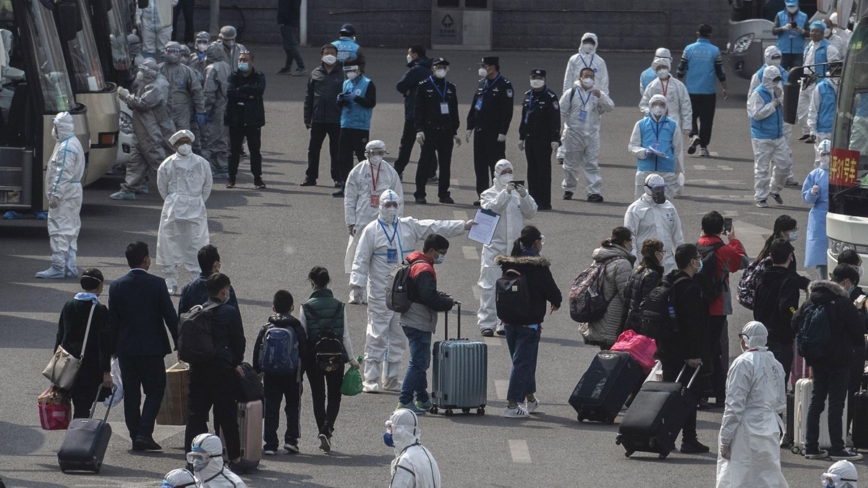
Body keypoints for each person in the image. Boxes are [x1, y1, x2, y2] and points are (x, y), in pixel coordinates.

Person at [350, 189, 474, 392]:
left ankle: (390, 378)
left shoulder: (408, 225)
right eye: (387, 205)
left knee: (398, 336)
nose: (391, 209)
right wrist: (357, 285)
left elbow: (434, 226)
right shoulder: (371, 230)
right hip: (381, 291)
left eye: (394, 205)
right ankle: (370, 378)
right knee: (377, 333)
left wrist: (463, 226)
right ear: (379, 206)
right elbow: (361, 259)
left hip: (404, 292)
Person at [108, 241, 179, 451]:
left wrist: (111, 349)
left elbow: (114, 321)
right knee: (156, 390)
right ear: (146, 259)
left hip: (126, 349)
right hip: (152, 347)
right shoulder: (157, 284)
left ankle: (135, 434)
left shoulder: (117, 285)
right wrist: (180, 343)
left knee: (132, 393)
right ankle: (144, 432)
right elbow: (169, 316)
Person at [184, 273, 255, 472]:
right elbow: (239, 342)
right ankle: (234, 458)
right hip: (222, 372)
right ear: (224, 291)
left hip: (198, 370)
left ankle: (192, 458)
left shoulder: (196, 311)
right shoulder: (230, 313)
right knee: (226, 415)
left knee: (196, 415)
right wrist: (235, 362)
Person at [796, 264, 864, 461]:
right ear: (845, 282)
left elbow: (795, 322)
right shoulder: (843, 303)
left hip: (816, 359)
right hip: (839, 361)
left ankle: (811, 446)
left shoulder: (812, 300)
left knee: (816, 402)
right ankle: (837, 448)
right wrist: (858, 311)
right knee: (836, 404)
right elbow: (859, 333)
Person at [496, 225, 562, 417]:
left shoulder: (508, 263)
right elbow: (552, 290)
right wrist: (556, 302)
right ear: (535, 242)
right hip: (529, 322)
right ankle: (511, 404)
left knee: (525, 362)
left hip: (508, 321)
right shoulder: (537, 266)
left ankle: (530, 399)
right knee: (523, 363)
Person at [715, 321, 787, 488]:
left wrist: (725, 439)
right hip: (770, 426)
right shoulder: (775, 364)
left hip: (745, 428)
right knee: (767, 475)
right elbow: (780, 403)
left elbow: (734, 406)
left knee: (739, 476)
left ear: (745, 340)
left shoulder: (743, 363)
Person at [656, 243, 711, 453]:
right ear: (692, 261)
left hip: (667, 348)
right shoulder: (690, 288)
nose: (700, 261)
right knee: (688, 397)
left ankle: (662, 433)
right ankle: (688, 439)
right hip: (685, 354)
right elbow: (694, 325)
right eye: (698, 257)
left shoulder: (669, 281)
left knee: (670, 395)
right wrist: (694, 355)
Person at [300, 266, 359, 453]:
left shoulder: (306, 307)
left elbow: (303, 336)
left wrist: (300, 363)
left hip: (314, 360)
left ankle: (321, 431)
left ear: (312, 283)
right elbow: (345, 336)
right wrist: (351, 360)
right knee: (334, 395)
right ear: (328, 282)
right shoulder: (340, 306)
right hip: (336, 358)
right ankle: (328, 429)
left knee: (318, 396)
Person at [477, 160, 537, 336]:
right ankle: (486, 323)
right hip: (494, 248)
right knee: (489, 286)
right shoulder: (488, 194)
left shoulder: (518, 194)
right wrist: (505, 193)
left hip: (515, 250)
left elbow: (531, 212)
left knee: (512, 287)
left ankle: (504, 321)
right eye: (504, 172)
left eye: (510, 171)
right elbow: (491, 210)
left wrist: (525, 195)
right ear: (496, 174)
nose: (508, 175)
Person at [397, 234, 455, 415]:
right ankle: (405, 401)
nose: (442, 256)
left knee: (422, 361)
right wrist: (448, 303)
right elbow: (428, 297)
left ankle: (421, 398)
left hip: (410, 318)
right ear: (431, 251)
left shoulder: (414, 262)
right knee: (418, 363)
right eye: (441, 253)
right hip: (418, 320)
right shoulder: (423, 269)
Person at [697, 211, 749, 407]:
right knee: (714, 350)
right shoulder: (724, 250)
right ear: (721, 229)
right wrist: (733, 240)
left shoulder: (696, 246)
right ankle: (718, 394)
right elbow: (743, 262)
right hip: (718, 305)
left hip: (698, 305)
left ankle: (705, 391)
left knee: (704, 347)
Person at [344, 139, 403, 299]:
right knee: (359, 252)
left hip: (383, 217)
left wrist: (397, 221)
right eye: (374, 152)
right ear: (367, 154)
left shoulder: (390, 172)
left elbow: (399, 198)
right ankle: (356, 291)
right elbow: (349, 197)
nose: (377, 156)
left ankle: (381, 290)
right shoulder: (357, 171)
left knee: (382, 252)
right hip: (362, 215)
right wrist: (350, 221)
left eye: (380, 153)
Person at [155, 130, 212, 295]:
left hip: (195, 206)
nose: (185, 146)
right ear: (175, 146)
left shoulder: (202, 163)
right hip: (173, 208)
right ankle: (171, 280)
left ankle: (196, 279)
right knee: (169, 243)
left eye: (187, 142)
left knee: (196, 243)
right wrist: (173, 200)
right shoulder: (167, 164)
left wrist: (197, 201)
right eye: (181, 143)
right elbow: (162, 187)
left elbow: (207, 186)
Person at [111, 58, 175, 200]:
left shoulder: (157, 86)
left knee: (157, 160)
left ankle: (175, 189)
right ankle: (130, 188)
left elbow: (142, 104)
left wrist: (125, 95)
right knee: (136, 160)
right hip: (142, 127)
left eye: (142, 71)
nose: (139, 73)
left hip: (149, 129)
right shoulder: (151, 82)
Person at [252, 290, 307, 455]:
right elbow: (304, 351)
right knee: (293, 407)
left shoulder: (267, 327)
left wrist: (257, 371)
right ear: (292, 307)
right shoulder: (296, 327)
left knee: (271, 407)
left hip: (271, 374)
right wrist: (302, 371)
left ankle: (270, 443)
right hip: (292, 374)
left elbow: (258, 350)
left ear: (273, 308)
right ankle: (291, 440)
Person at [53, 269, 113, 418]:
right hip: (89, 367)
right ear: (99, 286)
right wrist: (106, 371)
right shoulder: (99, 310)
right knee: (83, 409)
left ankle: (74, 436)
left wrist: (56, 369)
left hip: (67, 364)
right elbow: (104, 343)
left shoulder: (68, 305)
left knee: (73, 404)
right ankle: (78, 438)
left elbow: (60, 336)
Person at [36, 112, 85, 279]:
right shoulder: (73, 143)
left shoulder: (66, 148)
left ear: (59, 127)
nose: (53, 130)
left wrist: (55, 195)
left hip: (65, 194)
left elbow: (63, 173)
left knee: (58, 228)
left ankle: (58, 266)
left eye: (55, 126)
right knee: (70, 229)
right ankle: (69, 265)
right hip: (73, 192)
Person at [748, 46, 799, 189]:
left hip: (781, 118)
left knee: (785, 152)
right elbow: (752, 101)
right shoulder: (759, 76)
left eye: (778, 57)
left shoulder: (784, 73)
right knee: (763, 163)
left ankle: (785, 176)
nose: (777, 60)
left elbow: (790, 95)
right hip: (764, 124)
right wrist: (753, 118)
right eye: (773, 57)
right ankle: (762, 194)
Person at [640, 56, 692, 196]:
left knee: (676, 155)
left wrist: (687, 124)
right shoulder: (652, 86)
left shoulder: (678, 86)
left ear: (669, 68)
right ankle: (657, 184)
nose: (661, 70)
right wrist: (650, 112)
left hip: (674, 122)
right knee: (658, 153)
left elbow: (686, 105)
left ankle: (676, 186)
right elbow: (643, 104)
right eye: (658, 68)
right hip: (656, 124)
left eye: (664, 67)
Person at [753, 238, 802, 389]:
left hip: (762, 337)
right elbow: (788, 308)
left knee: (763, 386)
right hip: (781, 339)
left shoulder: (762, 277)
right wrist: (797, 315)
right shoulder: (789, 280)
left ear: (771, 257)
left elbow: (756, 306)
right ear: (790, 256)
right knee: (778, 387)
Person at [560, 67, 614, 202]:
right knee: (571, 165)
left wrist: (601, 96)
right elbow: (561, 112)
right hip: (574, 134)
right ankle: (569, 188)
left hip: (592, 135)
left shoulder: (597, 94)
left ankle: (593, 192)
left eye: (591, 76)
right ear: (580, 78)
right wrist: (556, 132)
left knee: (592, 164)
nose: (588, 79)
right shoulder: (571, 93)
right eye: (586, 76)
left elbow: (610, 107)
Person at [466, 56, 514, 204]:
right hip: (480, 132)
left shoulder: (504, 85)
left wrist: (503, 131)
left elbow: (507, 111)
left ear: (492, 67)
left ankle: (500, 196)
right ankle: (482, 196)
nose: (481, 68)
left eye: (484, 65)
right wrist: (470, 126)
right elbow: (475, 106)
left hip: (495, 134)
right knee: (480, 166)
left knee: (496, 166)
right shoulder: (482, 84)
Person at [413, 57, 461, 205]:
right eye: (438, 67)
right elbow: (418, 110)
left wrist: (454, 131)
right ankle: (420, 193)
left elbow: (454, 111)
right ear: (432, 68)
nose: (441, 70)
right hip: (429, 130)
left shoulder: (450, 87)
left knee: (445, 164)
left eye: (444, 67)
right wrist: (419, 130)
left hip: (446, 130)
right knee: (425, 162)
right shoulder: (423, 86)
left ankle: (444, 194)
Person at [677, 24, 728, 158]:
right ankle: (704, 147)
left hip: (691, 90)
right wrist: (725, 87)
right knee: (707, 120)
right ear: (710, 35)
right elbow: (720, 71)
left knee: (689, 116)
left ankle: (693, 134)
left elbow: (680, 69)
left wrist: (680, 80)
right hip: (708, 91)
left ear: (697, 33)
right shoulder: (715, 51)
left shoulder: (688, 49)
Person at [582, 227, 636, 350]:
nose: (631, 244)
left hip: (598, 315)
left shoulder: (599, 258)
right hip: (612, 319)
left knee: (605, 355)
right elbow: (626, 294)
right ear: (624, 243)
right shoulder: (623, 263)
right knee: (612, 359)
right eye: (630, 241)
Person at [624, 174, 685, 274]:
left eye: (662, 188)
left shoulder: (669, 207)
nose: (660, 192)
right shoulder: (635, 209)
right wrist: (636, 264)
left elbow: (677, 235)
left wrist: (683, 259)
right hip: (645, 264)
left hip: (667, 263)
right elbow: (630, 239)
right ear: (647, 188)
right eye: (657, 189)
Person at [749, 65, 791, 208]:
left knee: (785, 164)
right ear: (767, 79)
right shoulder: (758, 94)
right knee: (762, 168)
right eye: (775, 79)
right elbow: (756, 114)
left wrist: (782, 97)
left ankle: (775, 189)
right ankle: (761, 197)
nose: (777, 82)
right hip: (762, 136)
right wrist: (773, 105)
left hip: (778, 135)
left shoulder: (777, 91)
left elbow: (787, 108)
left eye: (778, 79)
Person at [518, 69, 560, 210]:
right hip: (530, 138)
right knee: (532, 170)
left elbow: (555, 119)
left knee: (543, 170)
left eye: (539, 78)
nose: (537, 80)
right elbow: (524, 118)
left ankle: (544, 201)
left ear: (544, 79)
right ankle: (533, 199)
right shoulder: (528, 96)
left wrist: (555, 138)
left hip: (544, 139)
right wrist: (521, 136)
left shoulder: (550, 97)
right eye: (534, 77)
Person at [302, 44, 344, 187]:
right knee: (313, 149)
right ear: (321, 56)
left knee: (336, 150)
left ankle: (338, 178)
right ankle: (311, 177)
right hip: (319, 118)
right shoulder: (315, 73)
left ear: (336, 55)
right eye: (327, 53)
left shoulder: (342, 73)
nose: (329, 55)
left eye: (332, 53)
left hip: (336, 118)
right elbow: (309, 96)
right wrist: (307, 117)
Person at [333, 59, 376, 198]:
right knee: (343, 158)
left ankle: (367, 188)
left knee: (362, 158)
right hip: (346, 124)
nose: (350, 73)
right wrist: (340, 100)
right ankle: (346, 186)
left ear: (358, 70)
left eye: (352, 70)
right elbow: (342, 104)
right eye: (347, 71)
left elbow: (371, 102)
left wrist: (356, 98)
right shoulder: (346, 83)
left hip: (360, 126)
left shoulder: (368, 83)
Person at [629, 94, 683, 199]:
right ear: (650, 106)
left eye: (661, 104)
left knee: (666, 203)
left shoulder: (673, 125)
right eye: (655, 104)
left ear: (666, 107)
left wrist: (676, 171)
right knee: (641, 201)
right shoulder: (641, 124)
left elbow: (677, 150)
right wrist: (644, 152)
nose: (658, 107)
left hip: (666, 170)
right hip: (645, 169)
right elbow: (632, 146)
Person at [838, 249, 868, 439]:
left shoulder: (828, 292)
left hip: (831, 350)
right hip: (855, 352)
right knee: (851, 391)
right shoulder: (862, 298)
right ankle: (845, 430)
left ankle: (831, 430)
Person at [226, 50, 266, 189]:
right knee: (234, 151)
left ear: (252, 62)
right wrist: (248, 95)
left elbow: (259, 90)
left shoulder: (259, 76)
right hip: (235, 118)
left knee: (254, 150)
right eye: (240, 60)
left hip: (253, 119)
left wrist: (241, 89)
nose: (242, 62)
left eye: (245, 60)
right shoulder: (233, 76)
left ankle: (257, 179)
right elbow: (230, 92)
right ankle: (231, 178)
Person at [394, 44, 433, 180]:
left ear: (415, 55)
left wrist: (407, 90)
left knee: (406, 144)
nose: (408, 56)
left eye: (409, 53)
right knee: (428, 143)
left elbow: (400, 85)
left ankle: (398, 170)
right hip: (429, 113)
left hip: (413, 113)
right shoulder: (432, 68)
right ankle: (431, 172)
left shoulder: (416, 70)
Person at [797, 22, 839, 142]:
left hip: (817, 83)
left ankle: (813, 133)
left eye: (816, 31)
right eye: (811, 31)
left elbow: (835, 68)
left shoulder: (829, 48)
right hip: (805, 82)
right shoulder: (809, 46)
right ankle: (806, 132)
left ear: (822, 33)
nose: (813, 33)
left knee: (813, 109)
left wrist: (826, 80)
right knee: (801, 110)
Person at [385, 409, 441, 488]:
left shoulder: (405, 461)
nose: (389, 432)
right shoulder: (426, 453)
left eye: (391, 428)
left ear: (399, 430)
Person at [620, 239, 665, 333]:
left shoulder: (636, 270)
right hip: (640, 324)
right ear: (656, 253)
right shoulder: (653, 275)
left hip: (630, 319)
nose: (663, 255)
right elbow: (647, 303)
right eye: (662, 252)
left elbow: (626, 295)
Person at [178, 244, 238, 315]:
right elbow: (235, 316)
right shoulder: (226, 288)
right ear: (215, 264)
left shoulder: (188, 288)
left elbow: (181, 316)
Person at [200, 43, 231, 179]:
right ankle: (223, 165)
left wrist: (204, 110)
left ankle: (215, 167)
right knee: (224, 136)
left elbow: (209, 92)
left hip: (217, 107)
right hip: (227, 105)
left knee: (211, 137)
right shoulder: (226, 65)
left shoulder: (212, 68)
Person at [160, 42, 206, 132]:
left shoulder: (187, 71)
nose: (172, 54)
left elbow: (197, 91)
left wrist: (200, 110)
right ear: (165, 53)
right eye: (170, 51)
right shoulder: (158, 70)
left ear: (180, 54)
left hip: (182, 111)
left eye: (176, 52)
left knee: (183, 137)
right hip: (163, 109)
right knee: (165, 136)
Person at [802, 139, 831, 280]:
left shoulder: (840, 173)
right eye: (823, 153)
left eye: (829, 154)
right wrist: (812, 193)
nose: (826, 157)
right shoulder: (814, 175)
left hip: (835, 213)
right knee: (820, 254)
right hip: (818, 217)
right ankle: (822, 281)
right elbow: (806, 198)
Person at [562, 32, 610, 98]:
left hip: (594, 95)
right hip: (577, 95)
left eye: (591, 43)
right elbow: (568, 79)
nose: (588, 45)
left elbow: (604, 81)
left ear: (595, 44)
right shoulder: (574, 59)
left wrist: (604, 97)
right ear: (582, 43)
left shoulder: (600, 61)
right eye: (586, 42)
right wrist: (566, 96)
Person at [809, 72, 838, 167]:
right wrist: (812, 130)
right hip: (823, 131)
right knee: (821, 160)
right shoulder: (820, 87)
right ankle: (818, 180)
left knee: (838, 160)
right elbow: (813, 109)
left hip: (839, 130)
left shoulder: (845, 85)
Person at [772, 0, 809, 71]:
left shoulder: (804, 16)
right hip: (783, 51)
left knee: (796, 75)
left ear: (798, 4)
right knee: (782, 74)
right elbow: (774, 31)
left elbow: (809, 33)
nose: (791, 8)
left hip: (798, 52)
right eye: (789, 6)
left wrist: (801, 31)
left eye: (793, 6)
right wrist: (783, 28)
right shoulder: (780, 15)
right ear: (785, 5)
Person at [277, 0, 305, 76]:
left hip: (287, 23)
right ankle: (288, 67)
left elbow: (284, 8)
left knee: (290, 45)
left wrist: (282, 20)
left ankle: (301, 66)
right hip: (293, 22)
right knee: (288, 46)